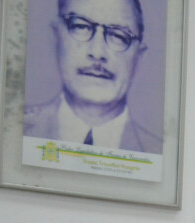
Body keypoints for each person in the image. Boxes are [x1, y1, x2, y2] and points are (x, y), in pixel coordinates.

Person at [24, 0, 162, 154]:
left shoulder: (158, 152)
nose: (97, 52)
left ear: (139, 56)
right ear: (56, 37)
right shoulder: (12, 127)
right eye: (80, 27)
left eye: (118, 36)